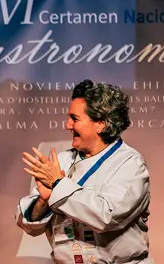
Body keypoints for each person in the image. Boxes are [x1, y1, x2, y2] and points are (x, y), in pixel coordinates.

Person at [16, 79, 152, 264]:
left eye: (75, 118)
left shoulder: (130, 164)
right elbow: (28, 225)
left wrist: (58, 184)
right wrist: (44, 200)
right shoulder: (61, 161)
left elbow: (106, 216)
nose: (67, 125)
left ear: (100, 124)